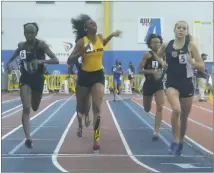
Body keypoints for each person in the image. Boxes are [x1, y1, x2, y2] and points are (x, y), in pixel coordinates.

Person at [67, 14, 121, 152]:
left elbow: (102, 43)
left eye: (95, 23)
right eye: (91, 24)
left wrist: (112, 35)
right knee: (82, 108)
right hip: (84, 76)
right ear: (85, 28)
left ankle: (96, 139)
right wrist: (81, 53)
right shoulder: (81, 42)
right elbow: (69, 60)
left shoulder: (100, 37)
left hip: (98, 75)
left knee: (97, 108)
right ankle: (80, 125)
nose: (94, 25)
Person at [6, 22, 59, 148]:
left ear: (36, 34)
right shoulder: (21, 45)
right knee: (26, 107)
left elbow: (55, 60)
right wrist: (8, 64)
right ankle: (28, 138)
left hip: (38, 80)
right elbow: (13, 57)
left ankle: (28, 135)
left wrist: (40, 61)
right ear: (24, 33)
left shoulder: (41, 45)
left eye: (32, 33)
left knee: (35, 107)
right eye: (27, 33)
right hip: (25, 78)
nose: (29, 35)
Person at [155, 21, 205, 156]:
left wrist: (193, 62)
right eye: (179, 28)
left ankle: (181, 141)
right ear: (174, 29)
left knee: (184, 117)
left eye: (184, 28)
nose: (181, 30)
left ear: (187, 31)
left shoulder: (191, 46)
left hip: (187, 84)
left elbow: (202, 66)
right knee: (176, 109)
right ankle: (175, 140)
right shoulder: (167, 45)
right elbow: (157, 56)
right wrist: (162, 63)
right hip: (171, 82)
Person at [139, 33, 164, 141]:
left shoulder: (163, 55)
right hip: (148, 83)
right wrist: (152, 71)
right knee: (147, 108)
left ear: (160, 43)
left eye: (158, 42)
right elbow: (140, 69)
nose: (156, 44)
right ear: (150, 44)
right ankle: (146, 107)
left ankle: (156, 131)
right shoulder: (147, 55)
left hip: (159, 84)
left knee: (160, 107)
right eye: (153, 42)